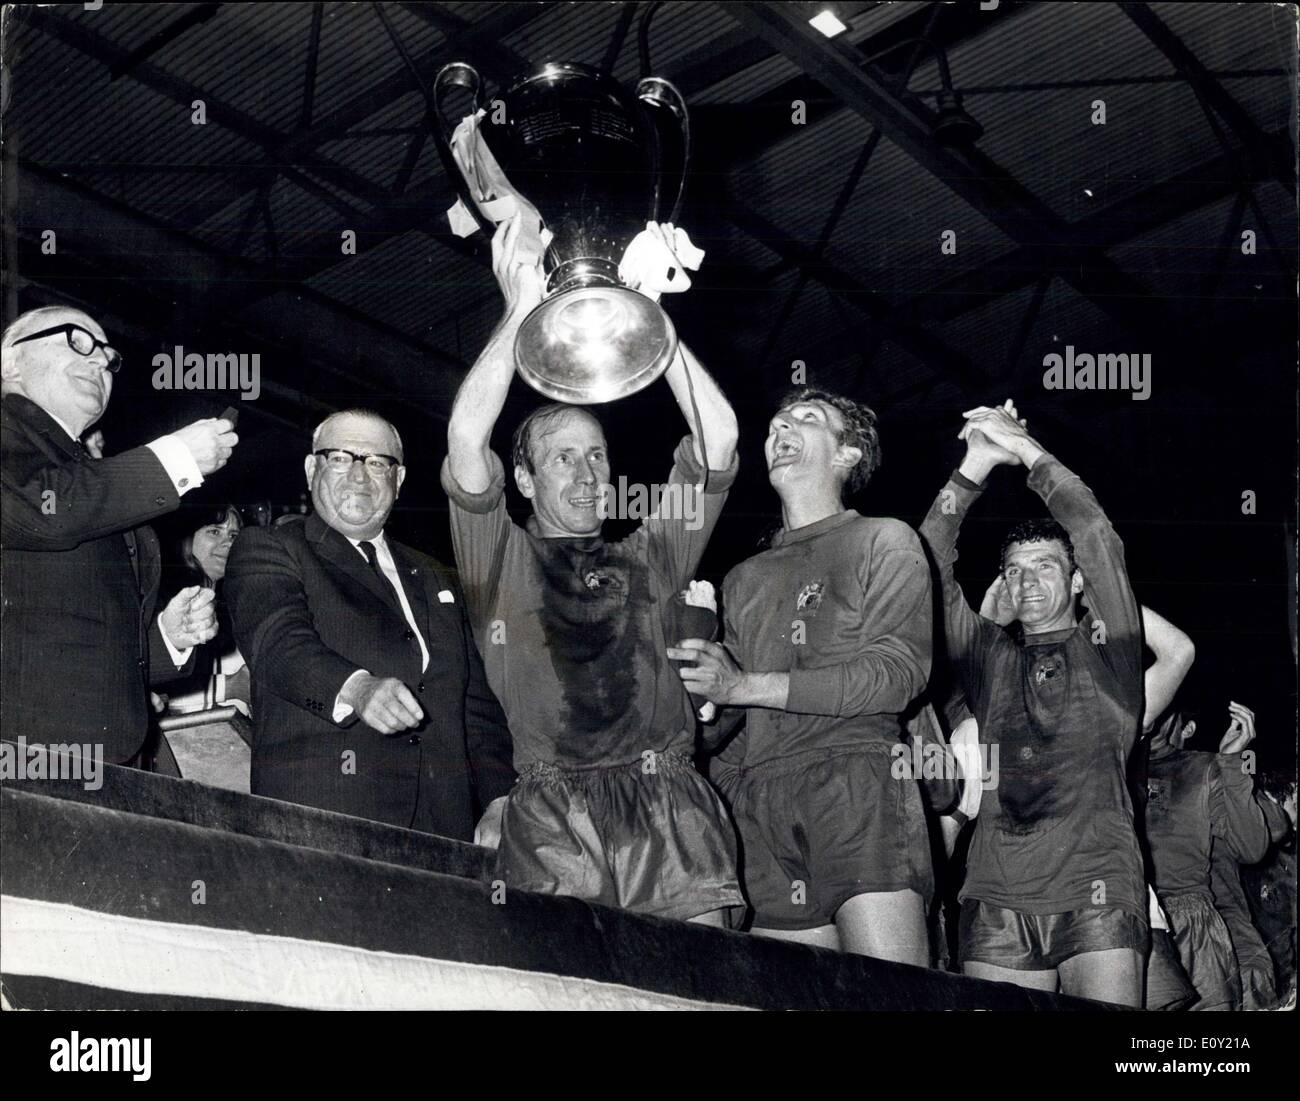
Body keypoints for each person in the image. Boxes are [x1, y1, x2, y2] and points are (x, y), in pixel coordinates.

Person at [442, 213, 744, 924]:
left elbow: (720, 436)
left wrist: (653, 319)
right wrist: (519, 309)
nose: (587, 474)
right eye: (562, 457)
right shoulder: (500, 560)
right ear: (523, 480)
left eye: (598, 454)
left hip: (669, 805)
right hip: (553, 819)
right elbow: (464, 435)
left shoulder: (651, 553)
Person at [679, 388, 933, 962]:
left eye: (807, 419)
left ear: (847, 455)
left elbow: (896, 675)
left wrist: (743, 684)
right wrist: (699, 698)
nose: (780, 429)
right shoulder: (742, 578)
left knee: (889, 999)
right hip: (756, 799)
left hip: (855, 782)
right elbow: (727, 718)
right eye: (775, 423)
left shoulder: (886, 538)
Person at [918, 399, 1147, 1005]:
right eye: (1015, 571)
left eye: (1045, 566)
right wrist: (972, 467)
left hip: (1097, 887)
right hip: (995, 894)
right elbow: (925, 572)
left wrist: (1025, 449)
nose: (1027, 582)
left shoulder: (1112, 648)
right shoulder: (990, 656)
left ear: (1076, 582)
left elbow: (1095, 534)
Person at [224, 410, 515, 839]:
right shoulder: (270, 548)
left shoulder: (434, 575)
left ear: (398, 482)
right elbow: (279, 645)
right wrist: (357, 688)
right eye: (340, 458)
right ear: (311, 470)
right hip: (326, 824)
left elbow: (473, 701)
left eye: (378, 463)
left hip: (444, 830)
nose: (359, 476)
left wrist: (498, 801)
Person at [945, 581, 1200, 1008]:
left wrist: (1092, 594)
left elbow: (1178, 651)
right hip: (1010, 916)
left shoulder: (1103, 710)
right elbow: (946, 830)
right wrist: (989, 623)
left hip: (1110, 915)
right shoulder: (976, 734)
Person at [1, 305, 237, 764]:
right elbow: (40, 508)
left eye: (108, 357)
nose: (99, 362)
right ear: (9, 361)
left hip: (97, 756)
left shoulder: (85, 475)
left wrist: (167, 637)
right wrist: (173, 460)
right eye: (77, 341)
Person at [1145, 702, 1270, 1009]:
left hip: (1193, 927)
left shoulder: (1201, 767)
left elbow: (1252, 847)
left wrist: (1232, 762)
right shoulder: (1106, 768)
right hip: (1124, 921)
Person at [161, 504, 250, 716]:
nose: (228, 542)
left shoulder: (232, 605)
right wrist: (229, 687)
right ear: (187, 538)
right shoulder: (167, 604)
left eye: (233, 535)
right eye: (214, 532)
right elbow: (153, 689)